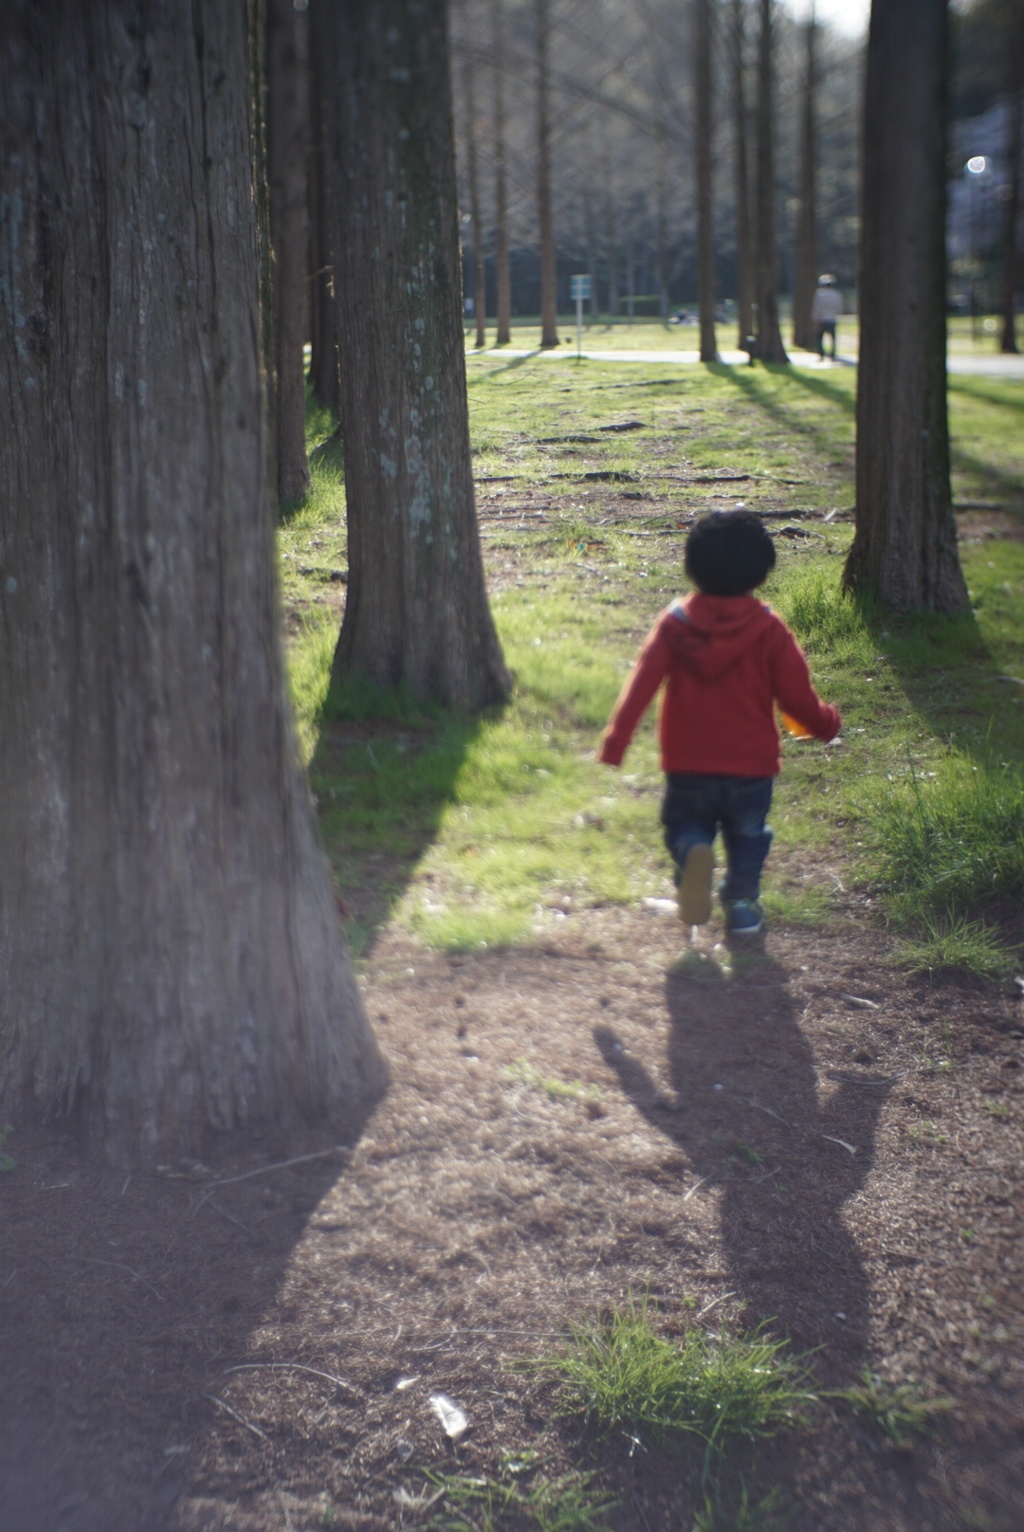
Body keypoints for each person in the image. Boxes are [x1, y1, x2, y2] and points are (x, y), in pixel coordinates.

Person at [597, 510, 840, 936]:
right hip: (751, 766)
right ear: (761, 570)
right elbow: (796, 697)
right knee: (748, 836)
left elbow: (641, 684)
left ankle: (693, 851)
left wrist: (616, 742)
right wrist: (826, 723)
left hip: (687, 762)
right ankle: (743, 905)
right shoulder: (769, 629)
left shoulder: (675, 624)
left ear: (693, 566)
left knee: (685, 825)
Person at [811, 273, 843, 359]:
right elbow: (838, 307)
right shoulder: (836, 294)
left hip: (822, 319)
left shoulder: (819, 294)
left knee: (819, 338)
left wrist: (815, 317)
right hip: (832, 318)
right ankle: (832, 353)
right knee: (832, 337)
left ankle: (821, 353)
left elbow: (817, 307)